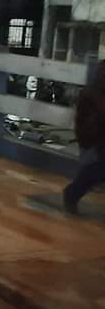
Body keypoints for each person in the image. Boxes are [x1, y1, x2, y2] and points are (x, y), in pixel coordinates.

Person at [64, 61, 105, 214]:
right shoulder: (93, 93)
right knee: (96, 171)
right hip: (94, 138)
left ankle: (72, 194)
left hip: (97, 137)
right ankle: (71, 194)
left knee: (97, 171)